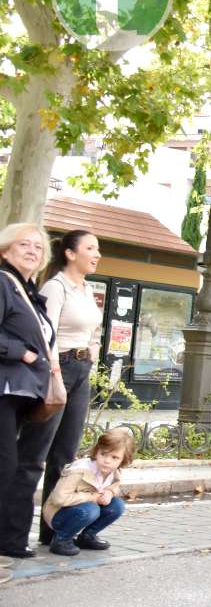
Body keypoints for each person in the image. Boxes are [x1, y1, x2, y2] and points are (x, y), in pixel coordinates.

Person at [32, 229, 104, 546]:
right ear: (71, 254)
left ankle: (54, 531)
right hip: (57, 369)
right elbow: (45, 335)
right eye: (91, 248)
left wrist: (93, 365)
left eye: (98, 248)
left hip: (82, 370)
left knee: (65, 456)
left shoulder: (87, 289)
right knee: (38, 451)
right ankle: (15, 530)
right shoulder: (56, 286)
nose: (97, 254)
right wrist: (57, 375)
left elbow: (92, 334)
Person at [0, 223, 57, 560]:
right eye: (25, 244)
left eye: (38, 247)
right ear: (5, 249)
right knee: (5, 465)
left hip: (21, 392)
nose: (33, 251)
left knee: (12, 466)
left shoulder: (28, 290)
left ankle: (8, 538)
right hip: (4, 389)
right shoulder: (3, 283)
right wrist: (18, 352)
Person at [42, 428, 132, 556]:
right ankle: (61, 540)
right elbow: (59, 498)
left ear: (123, 461)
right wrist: (91, 497)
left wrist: (110, 493)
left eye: (114, 457)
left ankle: (87, 537)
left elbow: (114, 486)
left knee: (117, 505)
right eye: (103, 454)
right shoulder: (79, 470)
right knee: (91, 509)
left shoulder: (113, 471)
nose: (107, 461)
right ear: (96, 452)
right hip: (58, 515)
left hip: (82, 509)